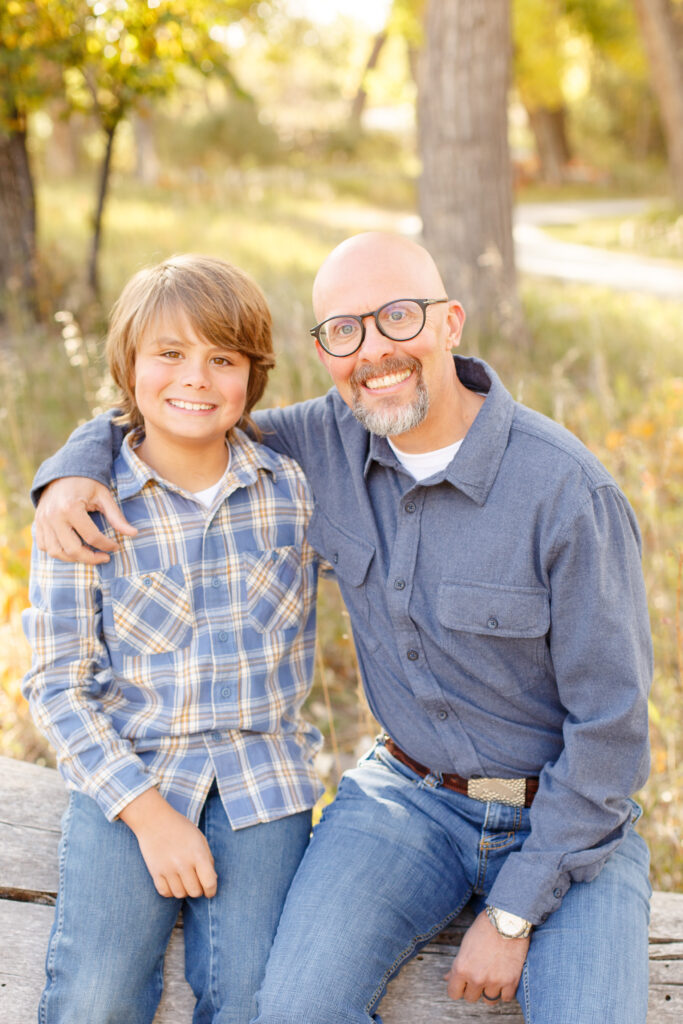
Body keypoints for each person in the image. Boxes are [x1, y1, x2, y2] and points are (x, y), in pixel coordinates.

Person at [32, 233, 652, 1024]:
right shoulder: (320, 441)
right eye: (344, 330)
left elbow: (612, 732)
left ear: (450, 323)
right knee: (291, 1009)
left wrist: (511, 914)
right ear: (323, 350)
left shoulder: (565, 492)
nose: (375, 351)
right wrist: (71, 469)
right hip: (409, 798)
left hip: (566, 820)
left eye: (398, 317)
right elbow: (178, 412)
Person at [22, 254, 323, 1024]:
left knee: (256, 994)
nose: (194, 378)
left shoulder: (293, 491)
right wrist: (149, 817)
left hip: (264, 778)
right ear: (128, 365)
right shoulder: (82, 508)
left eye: (221, 359)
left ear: (251, 377)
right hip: (130, 772)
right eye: (169, 353)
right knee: (96, 996)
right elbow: (56, 685)